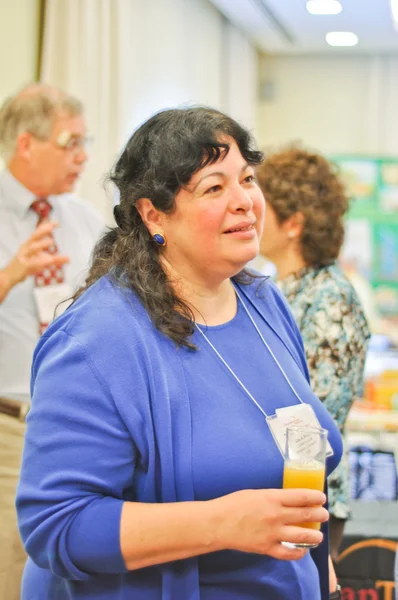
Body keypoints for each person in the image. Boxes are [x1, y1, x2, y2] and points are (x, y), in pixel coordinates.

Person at [17, 107, 342, 600]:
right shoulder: (97, 341)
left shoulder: (263, 301)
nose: (245, 202)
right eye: (214, 187)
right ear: (153, 214)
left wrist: (324, 574)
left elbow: (297, 468)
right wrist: (221, 523)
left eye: (248, 179)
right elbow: (57, 526)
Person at [0, 83, 105, 600]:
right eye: (70, 143)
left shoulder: (83, 219)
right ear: (26, 144)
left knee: (64, 574)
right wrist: (12, 273)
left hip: (79, 425)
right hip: (9, 430)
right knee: (10, 567)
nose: (83, 157)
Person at [256, 146, 371, 562]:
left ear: (293, 224)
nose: (249, 213)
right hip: (277, 497)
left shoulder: (331, 298)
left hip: (309, 503)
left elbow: (320, 419)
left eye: (261, 204)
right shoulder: (279, 290)